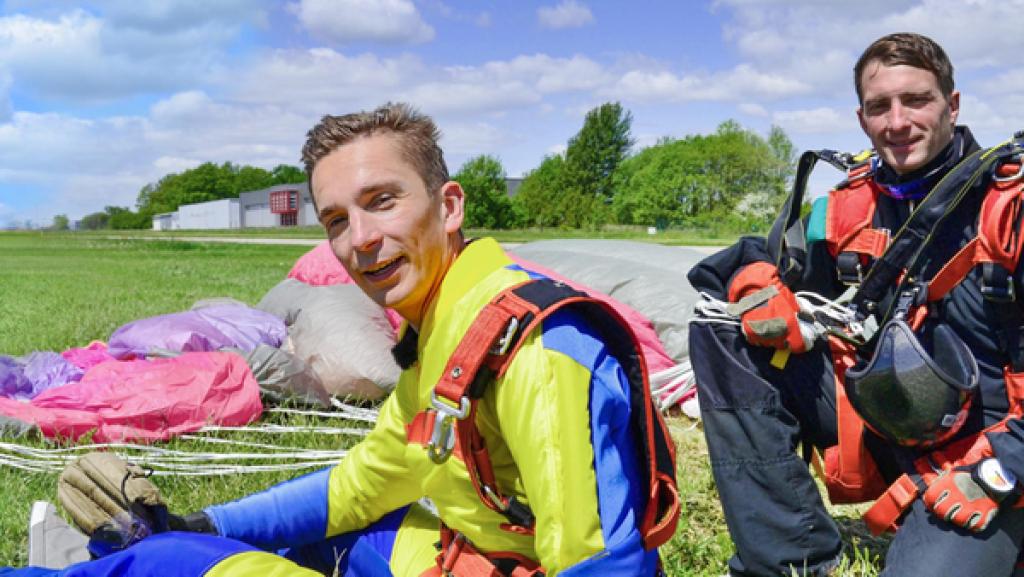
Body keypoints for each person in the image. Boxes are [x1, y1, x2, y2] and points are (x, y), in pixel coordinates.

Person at [1, 102, 676, 577]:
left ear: (450, 206)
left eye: (382, 200)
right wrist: (203, 524)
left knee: (163, 565)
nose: (359, 239)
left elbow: (604, 564)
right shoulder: (447, 326)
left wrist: (183, 548)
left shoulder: (533, 350)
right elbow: (361, 483)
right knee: (315, 530)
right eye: (336, 219)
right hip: (460, 551)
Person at [688, 32, 1024, 576]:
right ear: (862, 118)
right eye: (879, 106)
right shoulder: (852, 204)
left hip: (993, 451)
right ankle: (789, 561)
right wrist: (760, 291)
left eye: (917, 100)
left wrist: (1000, 472)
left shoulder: (1010, 209)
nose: (897, 121)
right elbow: (750, 255)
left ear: (952, 105)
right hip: (893, 421)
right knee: (722, 332)